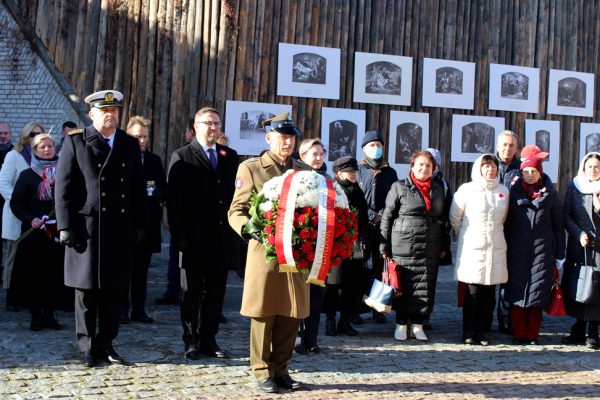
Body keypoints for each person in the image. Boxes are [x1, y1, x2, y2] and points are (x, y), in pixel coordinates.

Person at [55, 89, 146, 367]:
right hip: (87, 228)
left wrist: (140, 225)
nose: (111, 115)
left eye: (115, 111)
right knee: (85, 292)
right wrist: (65, 226)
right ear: (92, 114)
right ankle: (86, 347)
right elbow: (63, 188)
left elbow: (137, 190)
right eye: (105, 111)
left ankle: (106, 343)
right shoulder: (77, 142)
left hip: (118, 228)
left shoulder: (129, 144)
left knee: (112, 289)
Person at [228, 112, 310, 393]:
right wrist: (247, 228)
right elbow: (235, 210)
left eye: (291, 137)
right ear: (268, 138)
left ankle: (282, 369)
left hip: (297, 255)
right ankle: (262, 370)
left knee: (291, 313)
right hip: (265, 252)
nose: (287, 142)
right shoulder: (251, 168)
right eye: (282, 137)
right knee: (263, 313)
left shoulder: (303, 170)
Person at [167, 107, 238, 360]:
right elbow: (174, 202)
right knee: (191, 293)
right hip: (194, 239)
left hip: (220, 238)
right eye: (208, 123)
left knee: (216, 293)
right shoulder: (183, 156)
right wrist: (179, 236)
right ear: (196, 126)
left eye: (216, 123)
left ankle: (210, 338)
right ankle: (191, 339)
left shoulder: (229, 156)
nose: (213, 128)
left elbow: (234, 197)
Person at [380, 150, 450, 342]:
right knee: (405, 285)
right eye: (420, 165)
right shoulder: (399, 187)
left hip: (430, 243)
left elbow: (444, 219)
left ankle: (418, 324)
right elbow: (387, 216)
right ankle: (401, 323)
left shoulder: (439, 188)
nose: (424, 169)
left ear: (434, 169)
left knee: (426, 285)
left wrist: (445, 244)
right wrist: (383, 243)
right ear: (412, 166)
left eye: (428, 166)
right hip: (404, 244)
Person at [504, 145, 565, 345]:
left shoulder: (551, 195)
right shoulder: (514, 194)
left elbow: (558, 225)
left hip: (543, 250)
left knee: (538, 293)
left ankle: (532, 334)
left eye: (533, 171)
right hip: (517, 249)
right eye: (526, 172)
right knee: (518, 292)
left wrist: (559, 255)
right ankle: (518, 332)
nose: (529, 175)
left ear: (540, 173)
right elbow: (507, 223)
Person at [450, 154, 509, 346]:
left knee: (489, 294)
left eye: (493, 166)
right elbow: (454, 217)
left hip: (496, 246)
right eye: (486, 166)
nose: (490, 170)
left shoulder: (503, 191)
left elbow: (504, 218)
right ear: (479, 169)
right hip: (473, 247)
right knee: (472, 292)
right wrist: (467, 234)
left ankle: (482, 331)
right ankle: (468, 331)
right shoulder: (467, 189)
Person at [10, 134, 64, 331]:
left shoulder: (62, 173)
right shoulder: (28, 175)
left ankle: (50, 314)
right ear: (34, 150)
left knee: (53, 273)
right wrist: (30, 218)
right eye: (42, 147)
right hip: (34, 233)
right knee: (35, 273)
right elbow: (16, 203)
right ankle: (36, 315)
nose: (47, 150)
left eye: (50, 146)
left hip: (55, 231)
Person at [118, 116, 166, 324]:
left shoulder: (154, 160)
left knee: (141, 270)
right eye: (138, 136)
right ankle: (121, 309)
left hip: (148, 221)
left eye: (145, 136)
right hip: (127, 222)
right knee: (123, 269)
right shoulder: (121, 156)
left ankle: (139, 309)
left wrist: (157, 192)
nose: (142, 141)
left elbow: (163, 187)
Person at [0, 122, 44, 311]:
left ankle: (27, 295)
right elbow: (4, 185)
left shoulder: (40, 158)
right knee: (13, 257)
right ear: (26, 136)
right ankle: (10, 296)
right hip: (17, 212)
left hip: (36, 215)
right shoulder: (14, 156)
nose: (36, 137)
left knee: (30, 258)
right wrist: (20, 201)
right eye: (33, 134)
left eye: (40, 134)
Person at [325, 156, 370, 338]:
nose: (353, 174)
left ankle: (345, 321)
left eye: (354, 171)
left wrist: (364, 238)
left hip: (355, 245)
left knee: (352, 284)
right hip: (336, 245)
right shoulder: (333, 190)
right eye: (348, 172)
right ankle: (329, 321)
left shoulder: (357, 191)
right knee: (333, 285)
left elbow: (363, 219)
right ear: (338, 173)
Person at [357, 130, 398, 324]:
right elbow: (353, 198)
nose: (376, 149)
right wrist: (369, 215)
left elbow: (394, 198)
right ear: (364, 148)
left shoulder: (390, 172)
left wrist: (380, 215)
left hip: (382, 228)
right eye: (371, 145)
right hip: (360, 228)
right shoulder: (357, 169)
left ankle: (378, 307)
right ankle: (354, 309)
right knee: (357, 266)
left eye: (379, 145)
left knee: (380, 266)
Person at [561, 152, 600, 350]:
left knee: (596, 288)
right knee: (578, 285)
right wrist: (578, 234)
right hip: (580, 246)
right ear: (583, 168)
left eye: (596, 167)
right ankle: (578, 327)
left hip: (599, 248)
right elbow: (566, 215)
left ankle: (593, 331)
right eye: (589, 167)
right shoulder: (575, 186)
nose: (593, 171)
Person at [155, 118, 195, 306]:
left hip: (193, 218)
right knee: (175, 257)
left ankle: (179, 290)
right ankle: (174, 289)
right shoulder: (181, 155)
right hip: (183, 215)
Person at [295, 138, 328, 354]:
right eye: (313, 154)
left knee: (316, 295)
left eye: (321, 154)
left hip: (320, 245)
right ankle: (296, 336)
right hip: (299, 245)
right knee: (298, 294)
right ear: (303, 156)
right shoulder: (295, 179)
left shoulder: (327, 181)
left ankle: (312, 337)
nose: (318, 158)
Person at [423, 148, 453, 330]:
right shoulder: (408, 182)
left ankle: (425, 315)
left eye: (432, 163)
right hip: (412, 239)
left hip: (436, 237)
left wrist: (444, 243)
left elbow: (448, 215)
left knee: (430, 280)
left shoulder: (443, 185)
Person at [496, 130, 521, 334]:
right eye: (504, 145)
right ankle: (483, 319)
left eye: (511, 145)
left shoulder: (522, 170)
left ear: (516, 148)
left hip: (513, 230)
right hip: (492, 229)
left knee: (509, 277)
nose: (507, 148)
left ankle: (505, 318)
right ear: (497, 146)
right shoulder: (488, 166)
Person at [0, 122, 13, 287]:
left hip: (8, 203)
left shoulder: (13, 153)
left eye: (5, 133)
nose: (3, 136)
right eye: (0, 133)